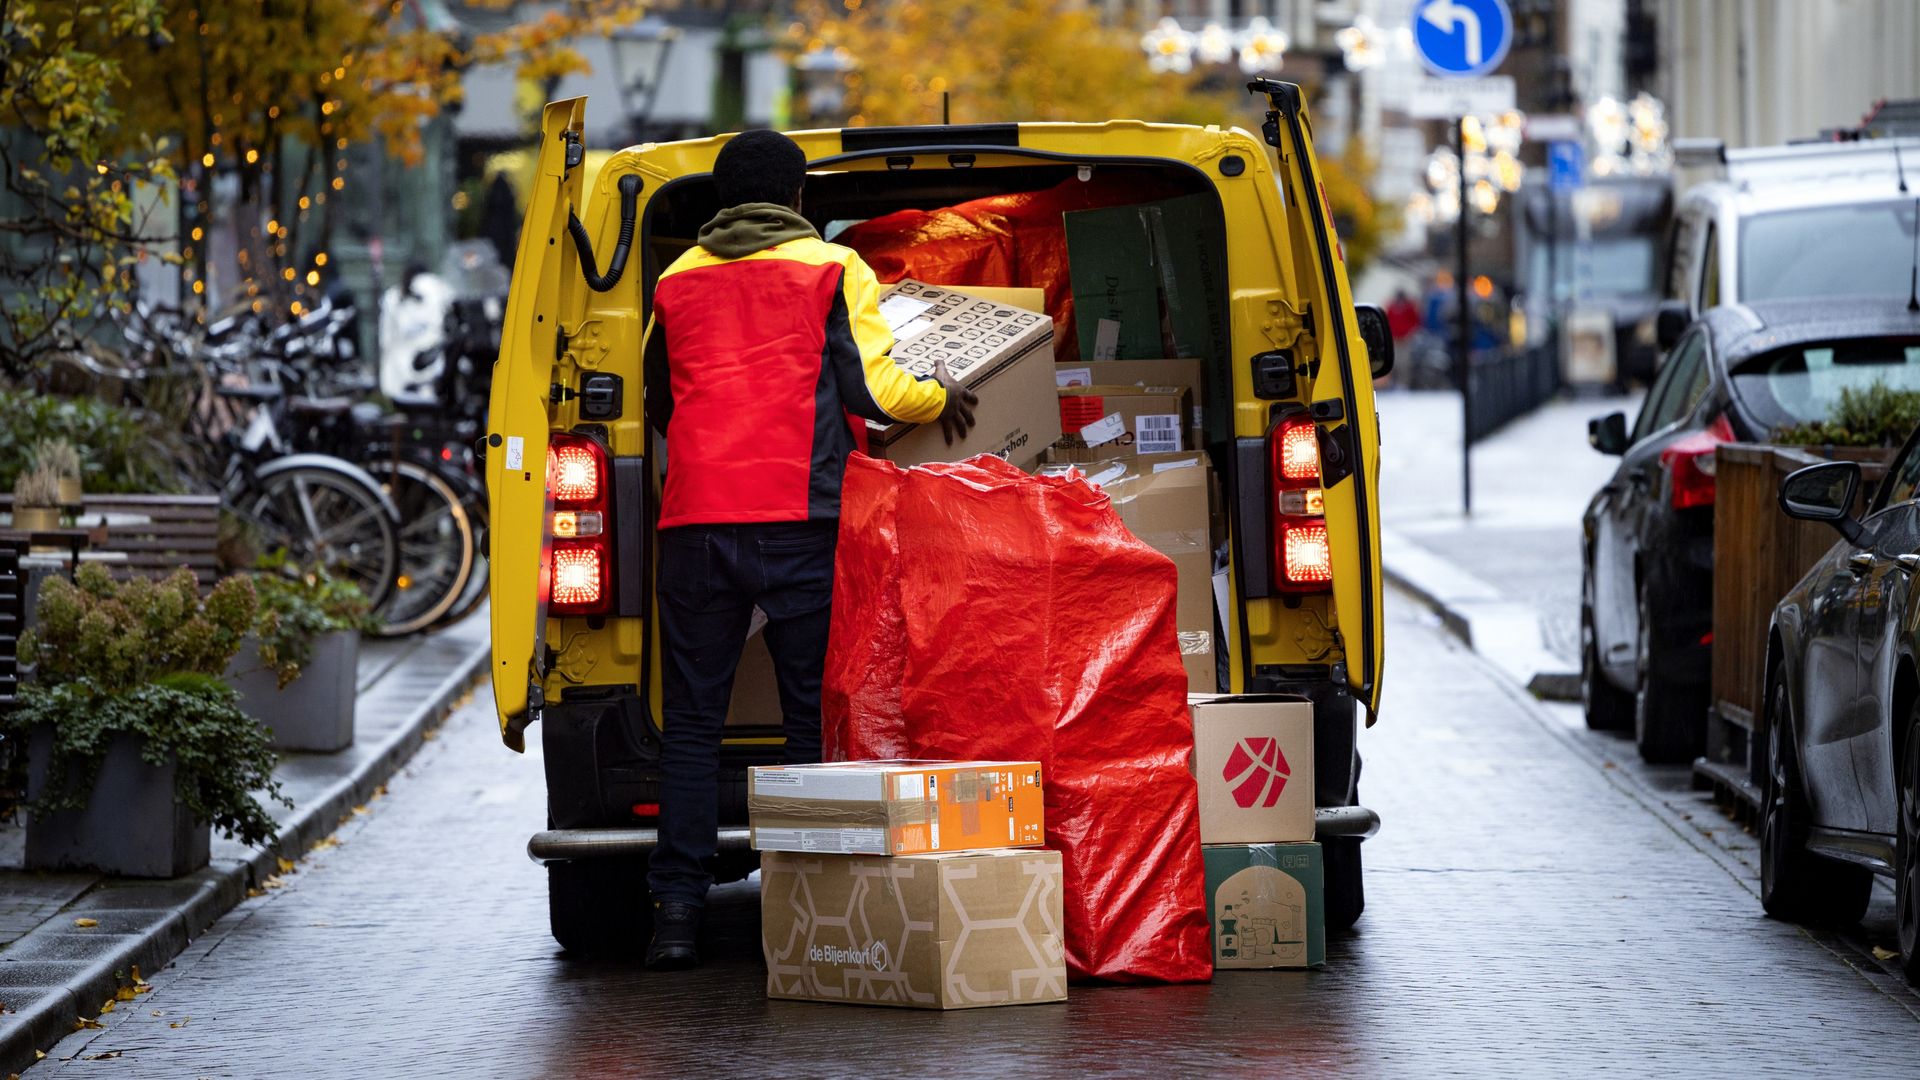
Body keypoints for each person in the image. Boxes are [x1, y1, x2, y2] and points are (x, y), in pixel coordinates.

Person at [638, 130, 977, 969]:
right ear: (797, 200)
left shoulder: (676, 280)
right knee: (804, 720)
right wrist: (944, 390)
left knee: (691, 726)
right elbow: (875, 386)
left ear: (722, 202)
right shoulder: (832, 268)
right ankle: (795, 911)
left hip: (697, 525)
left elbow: (657, 400)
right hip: (802, 518)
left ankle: (676, 914)